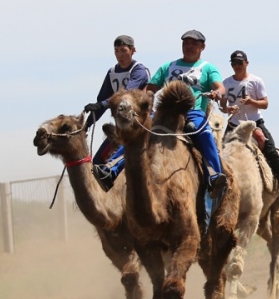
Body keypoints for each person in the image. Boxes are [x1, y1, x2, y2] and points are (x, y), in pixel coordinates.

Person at [146, 29, 228, 199]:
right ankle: (113, 168)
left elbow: (220, 87)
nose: (189, 46)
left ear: (202, 47)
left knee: (202, 130)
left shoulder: (207, 68)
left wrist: (217, 93)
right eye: (186, 43)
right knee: (142, 129)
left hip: (193, 111)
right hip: (165, 112)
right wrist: (148, 105)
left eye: (194, 44)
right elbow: (151, 89)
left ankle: (214, 175)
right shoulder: (168, 66)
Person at [83, 35, 151, 187]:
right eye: (116, 51)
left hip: (141, 124)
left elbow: (124, 95)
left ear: (133, 50)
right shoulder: (112, 72)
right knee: (98, 162)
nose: (120, 55)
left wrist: (101, 104)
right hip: (122, 126)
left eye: (123, 50)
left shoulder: (139, 70)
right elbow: (102, 100)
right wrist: (87, 124)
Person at [221, 50, 279, 186]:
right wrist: (228, 109)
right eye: (234, 63)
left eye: (240, 63)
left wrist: (251, 102)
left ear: (246, 63)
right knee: (219, 153)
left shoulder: (256, 81)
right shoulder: (226, 83)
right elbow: (223, 107)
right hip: (234, 126)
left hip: (254, 123)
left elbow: (265, 104)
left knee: (271, 151)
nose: (237, 66)